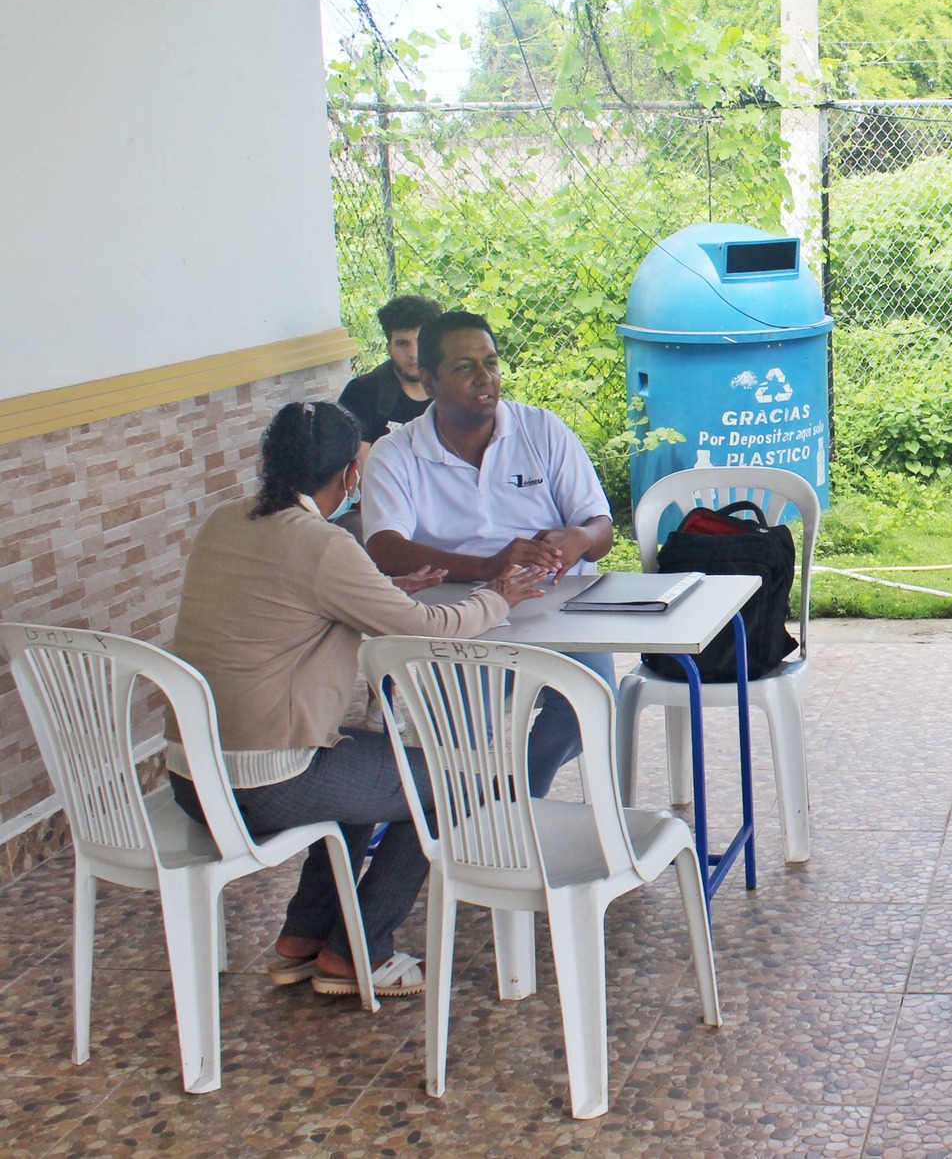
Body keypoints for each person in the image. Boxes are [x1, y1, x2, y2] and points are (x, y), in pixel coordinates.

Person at [168, 401, 547, 995]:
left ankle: (302, 938)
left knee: (368, 760)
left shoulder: (222, 521)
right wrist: (499, 595)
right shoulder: (323, 543)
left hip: (191, 779)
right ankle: (359, 951)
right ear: (350, 475)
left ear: (269, 462)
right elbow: (430, 629)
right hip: (263, 786)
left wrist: (384, 588)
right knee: (461, 780)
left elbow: (286, 596)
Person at [361, 309, 616, 798]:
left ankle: (514, 796)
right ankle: (474, 809)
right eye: (464, 367)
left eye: (491, 363)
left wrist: (577, 540)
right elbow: (385, 549)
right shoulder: (398, 452)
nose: (485, 378)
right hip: (460, 617)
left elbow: (600, 526)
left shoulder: (541, 430)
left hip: (555, 609)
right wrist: (488, 567)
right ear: (428, 381)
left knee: (594, 701)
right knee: (461, 736)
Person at [337, 295, 443, 446]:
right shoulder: (362, 393)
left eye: (420, 342)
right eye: (402, 343)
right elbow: (360, 459)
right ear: (389, 349)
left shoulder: (453, 388)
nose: (412, 353)